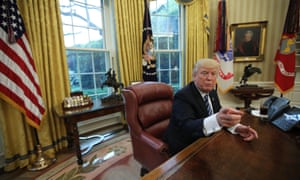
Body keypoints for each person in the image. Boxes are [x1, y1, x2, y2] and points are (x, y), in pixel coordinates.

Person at [164, 58, 258, 155]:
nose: (209, 78)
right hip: (185, 148)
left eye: (213, 74)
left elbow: (219, 114)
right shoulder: (183, 96)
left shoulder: (212, 92)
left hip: (206, 142)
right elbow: (187, 126)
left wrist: (236, 128)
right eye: (204, 73)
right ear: (194, 76)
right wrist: (217, 120)